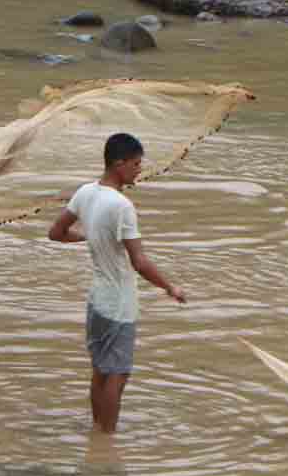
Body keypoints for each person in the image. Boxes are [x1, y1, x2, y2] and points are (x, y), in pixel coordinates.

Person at [47, 132, 187, 433]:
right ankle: (106, 439)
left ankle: (97, 429)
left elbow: (55, 233)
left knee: (100, 369)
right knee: (118, 374)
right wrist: (170, 287)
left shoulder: (86, 192)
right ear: (118, 163)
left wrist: (88, 237)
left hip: (96, 300)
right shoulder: (121, 206)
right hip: (118, 304)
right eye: (136, 164)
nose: (139, 170)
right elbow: (140, 261)